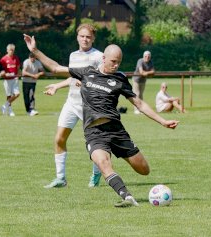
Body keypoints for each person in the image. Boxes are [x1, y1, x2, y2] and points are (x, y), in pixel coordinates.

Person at [24, 34, 179, 207]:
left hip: (116, 130)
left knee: (144, 170)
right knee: (103, 163)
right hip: (94, 133)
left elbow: (139, 104)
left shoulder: (120, 79)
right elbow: (55, 68)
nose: (116, 65)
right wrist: (35, 51)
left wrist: (162, 121)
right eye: (113, 61)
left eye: (119, 62)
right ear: (103, 58)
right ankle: (126, 196)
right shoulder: (87, 72)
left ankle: (124, 167)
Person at [42, 24, 104, 189]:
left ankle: (96, 174)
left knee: (95, 143)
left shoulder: (99, 56)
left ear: (93, 38)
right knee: (59, 139)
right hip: (71, 103)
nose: (85, 39)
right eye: (82, 36)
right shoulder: (73, 55)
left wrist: (86, 82)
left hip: (90, 106)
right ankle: (60, 178)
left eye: (88, 37)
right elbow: (72, 78)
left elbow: (102, 80)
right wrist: (57, 86)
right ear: (77, 37)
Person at [0, 44, 21, 116]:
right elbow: (1, 70)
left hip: (15, 79)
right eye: (10, 50)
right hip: (7, 80)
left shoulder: (16, 58)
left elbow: (18, 68)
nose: (11, 52)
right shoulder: (3, 59)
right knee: (9, 95)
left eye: (13, 50)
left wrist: (18, 75)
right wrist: (5, 74)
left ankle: (5, 106)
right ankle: (9, 110)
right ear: (7, 50)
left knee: (17, 94)